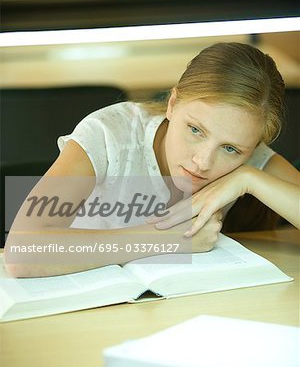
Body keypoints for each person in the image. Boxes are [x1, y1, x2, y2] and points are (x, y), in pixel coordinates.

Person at [5, 42, 300, 278]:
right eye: (195, 130)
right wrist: (167, 239)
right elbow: (22, 253)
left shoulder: (247, 154)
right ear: (173, 104)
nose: (202, 161)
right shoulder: (110, 133)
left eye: (230, 150)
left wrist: (249, 178)